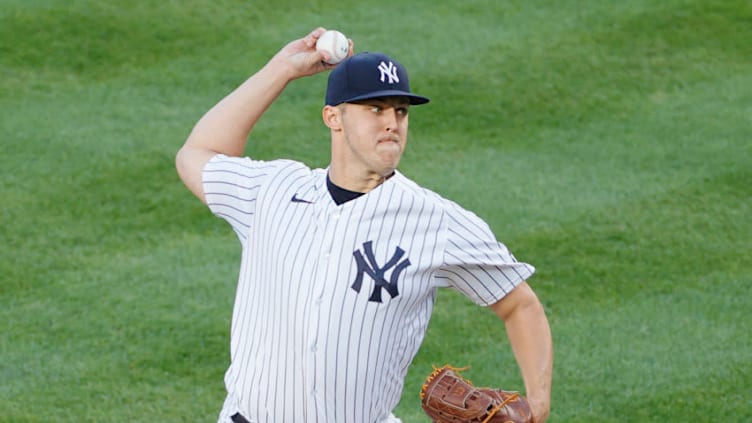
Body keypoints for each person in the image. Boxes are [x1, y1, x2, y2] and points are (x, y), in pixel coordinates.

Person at [176, 27, 552, 423]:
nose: (391, 122)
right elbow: (198, 154)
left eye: (400, 111)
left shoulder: (437, 222)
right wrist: (281, 69)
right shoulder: (272, 192)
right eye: (375, 109)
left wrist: (538, 407)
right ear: (333, 118)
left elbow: (520, 305)